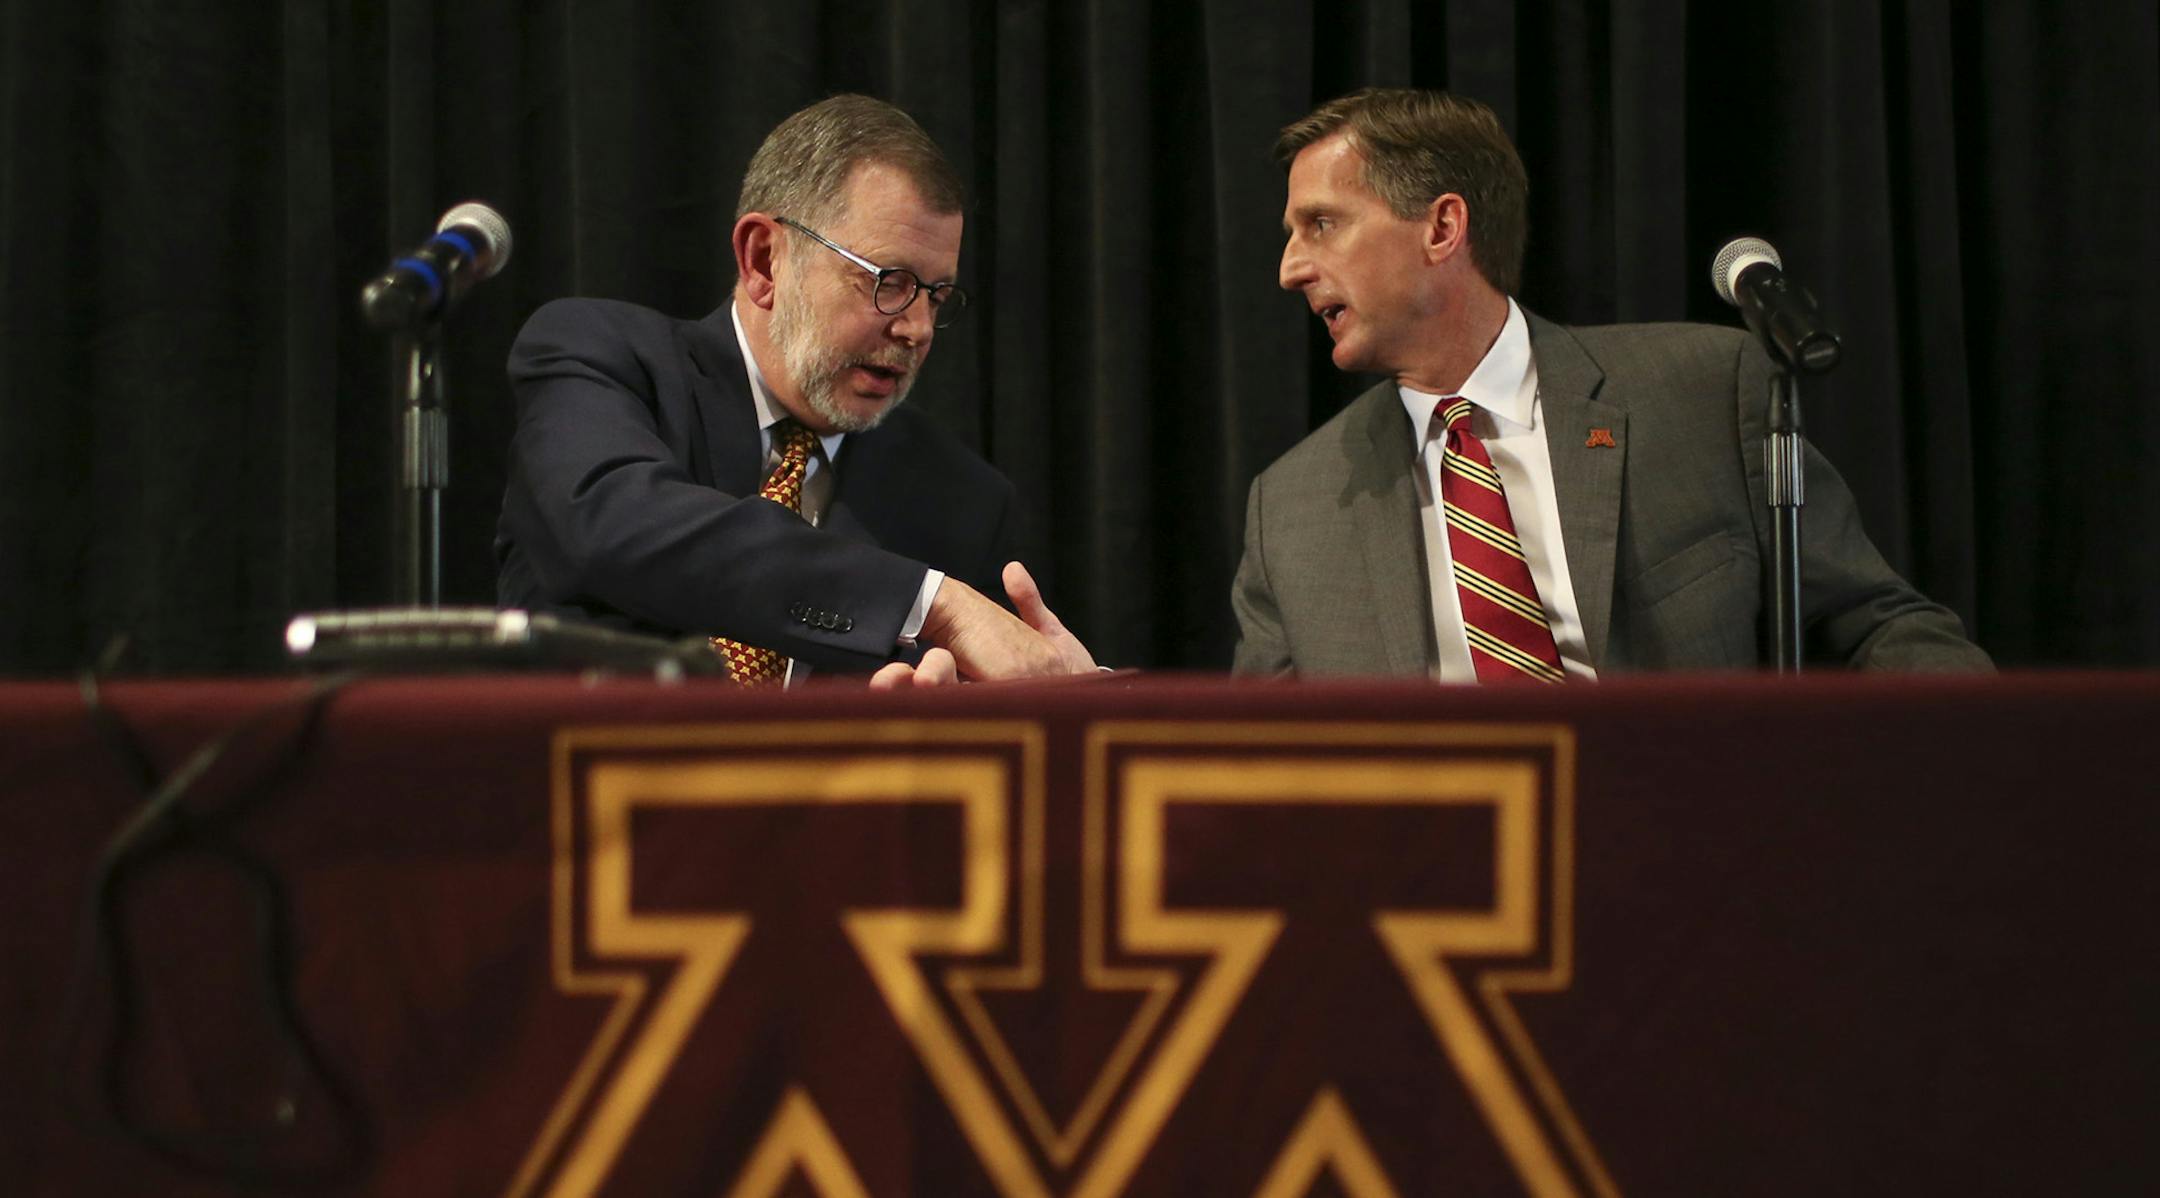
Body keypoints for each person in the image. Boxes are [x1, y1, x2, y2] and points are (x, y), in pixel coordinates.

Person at [1233, 88, 1991, 678]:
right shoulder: (1292, 508)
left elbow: (1879, 627)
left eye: (1322, 224)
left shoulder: (1701, 392)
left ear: (1442, 228)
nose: (1291, 268)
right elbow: (1257, 763)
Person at [494, 95, 1093, 687]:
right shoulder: (600, 358)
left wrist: (1065, 695)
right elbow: (610, 523)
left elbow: (1005, 712)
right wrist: (928, 602)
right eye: (890, 282)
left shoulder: (962, 501)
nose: (918, 329)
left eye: (936, 295)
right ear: (763, 261)